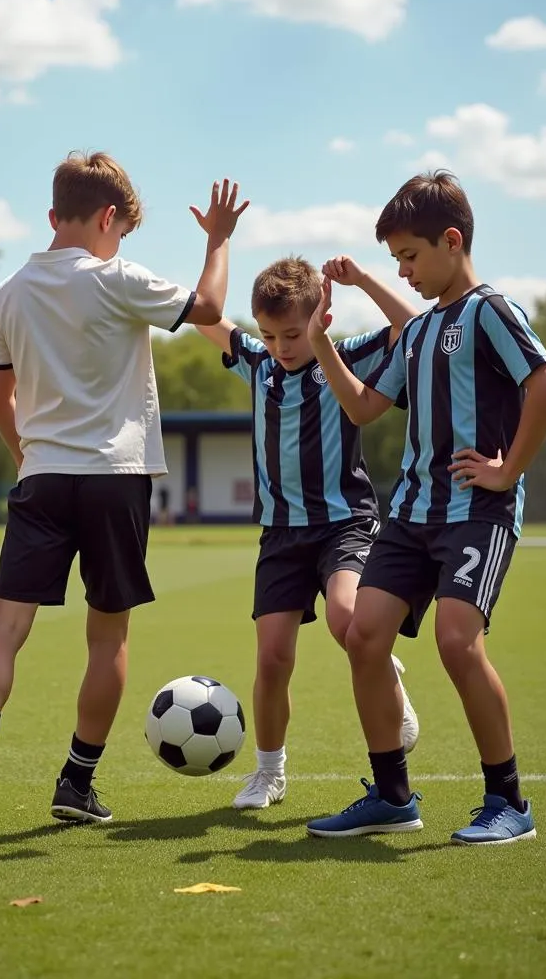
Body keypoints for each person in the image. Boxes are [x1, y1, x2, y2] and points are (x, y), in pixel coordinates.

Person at [0, 152, 249, 837]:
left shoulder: (8, 292)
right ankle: (76, 781)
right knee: (106, 634)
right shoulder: (116, 277)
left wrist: (29, 454)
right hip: (116, 477)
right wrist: (219, 239)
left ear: (57, 212)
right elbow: (207, 309)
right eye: (122, 231)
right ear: (109, 218)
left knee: (5, 628)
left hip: (44, 475)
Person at [305, 171, 546, 844]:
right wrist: (321, 344)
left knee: (456, 641)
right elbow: (365, 405)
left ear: (453, 241)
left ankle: (509, 802)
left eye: (411, 257)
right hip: (412, 514)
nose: (406, 271)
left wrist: (508, 471)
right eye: (396, 262)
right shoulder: (417, 333)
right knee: (364, 636)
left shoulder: (491, 311)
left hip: (477, 513)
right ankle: (392, 796)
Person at [194, 254, 420, 810]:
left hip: (344, 523)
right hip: (280, 535)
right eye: (269, 335)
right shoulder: (257, 364)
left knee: (348, 619)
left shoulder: (345, 357)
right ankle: (269, 773)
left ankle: (388, 681)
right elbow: (204, 317)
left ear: (320, 315)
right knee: (272, 658)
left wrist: (364, 280)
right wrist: (219, 241)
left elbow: (411, 328)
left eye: (292, 333)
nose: (280, 346)